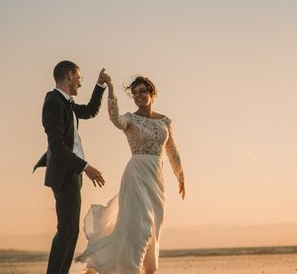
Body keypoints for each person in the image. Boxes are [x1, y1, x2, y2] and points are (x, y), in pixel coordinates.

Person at [76, 76, 185, 274]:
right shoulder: (130, 119)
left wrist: (180, 175)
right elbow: (115, 118)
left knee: (153, 228)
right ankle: (131, 269)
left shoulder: (165, 121)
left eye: (142, 91)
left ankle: (148, 269)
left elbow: (172, 150)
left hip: (156, 179)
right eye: (134, 93)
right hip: (136, 175)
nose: (138, 96)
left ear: (152, 93)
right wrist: (109, 88)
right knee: (141, 228)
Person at [34, 60, 111, 274]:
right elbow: (56, 147)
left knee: (70, 230)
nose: (79, 82)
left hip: (72, 173)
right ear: (69, 75)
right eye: (79, 77)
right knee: (66, 230)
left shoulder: (66, 102)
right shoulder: (53, 102)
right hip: (64, 173)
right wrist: (85, 166)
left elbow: (90, 111)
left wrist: (100, 85)